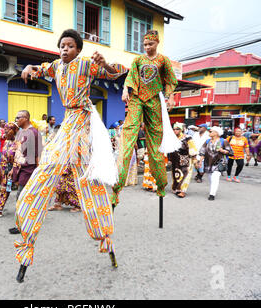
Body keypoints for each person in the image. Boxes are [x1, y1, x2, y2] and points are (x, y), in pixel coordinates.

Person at [15, 28, 127, 282]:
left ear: (78, 49)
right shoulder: (56, 65)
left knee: (86, 176)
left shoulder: (87, 64)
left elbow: (118, 71)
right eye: (62, 46)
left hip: (83, 120)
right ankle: (26, 225)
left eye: (70, 46)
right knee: (51, 166)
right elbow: (40, 69)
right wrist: (30, 66)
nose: (65, 49)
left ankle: (104, 234)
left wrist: (106, 64)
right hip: (68, 122)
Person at [111, 29, 178, 207]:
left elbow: (170, 80)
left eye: (150, 44)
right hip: (137, 99)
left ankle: (161, 184)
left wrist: (170, 96)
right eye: (145, 44)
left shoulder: (163, 60)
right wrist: (126, 90)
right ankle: (117, 187)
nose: (147, 47)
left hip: (155, 100)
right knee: (128, 135)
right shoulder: (138, 60)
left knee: (155, 146)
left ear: (157, 43)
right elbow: (130, 78)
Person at [8, 110, 43, 234]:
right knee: (22, 197)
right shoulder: (21, 132)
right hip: (20, 168)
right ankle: (24, 222)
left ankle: (22, 225)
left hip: (29, 170)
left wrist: (39, 172)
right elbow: (19, 152)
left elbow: (38, 154)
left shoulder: (34, 133)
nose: (16, 119)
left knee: (21, 197)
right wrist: (13, 168)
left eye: (18, 117)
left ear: (25, 118)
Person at [198, 126, 233, 201]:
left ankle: (212, 194)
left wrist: (222, 150)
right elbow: (202, 152)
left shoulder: (223, 141)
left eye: (211, 131)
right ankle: (212, 190)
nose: (209, 133)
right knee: (211, 178)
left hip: (219, 162)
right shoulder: (207, 141)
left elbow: (230, 151)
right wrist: (200, 161)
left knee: (215, 178)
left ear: (216, 133)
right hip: (208, 163)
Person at [168, 123, 198, 198]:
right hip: (175, 160)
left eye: (177, 129)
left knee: (185, 175)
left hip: (185, 159)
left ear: (181, 129)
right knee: (176, 174)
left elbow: (192, 148)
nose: (175, 130)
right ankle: (176, 188)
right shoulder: (172, 138)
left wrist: (194, 159)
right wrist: (169, 159)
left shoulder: (187, 138)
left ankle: (182, 190)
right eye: (174, 129)